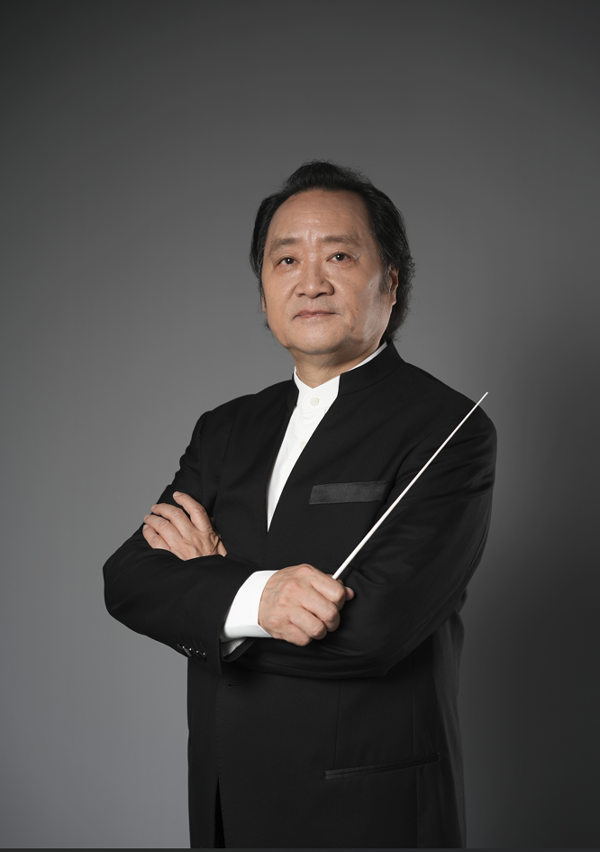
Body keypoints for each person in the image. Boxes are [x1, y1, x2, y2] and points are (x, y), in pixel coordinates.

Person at [103, 161, 496, 848]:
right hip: (226, 805)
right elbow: (130, 579)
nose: (310, 281)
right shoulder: (225, 429)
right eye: (285, 260)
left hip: (369, 811)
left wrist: (209, 590)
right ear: (263, 293)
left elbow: (375, 630)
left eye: (338, 256)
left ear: (391, 282)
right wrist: (263, 599)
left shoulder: (448, 428)